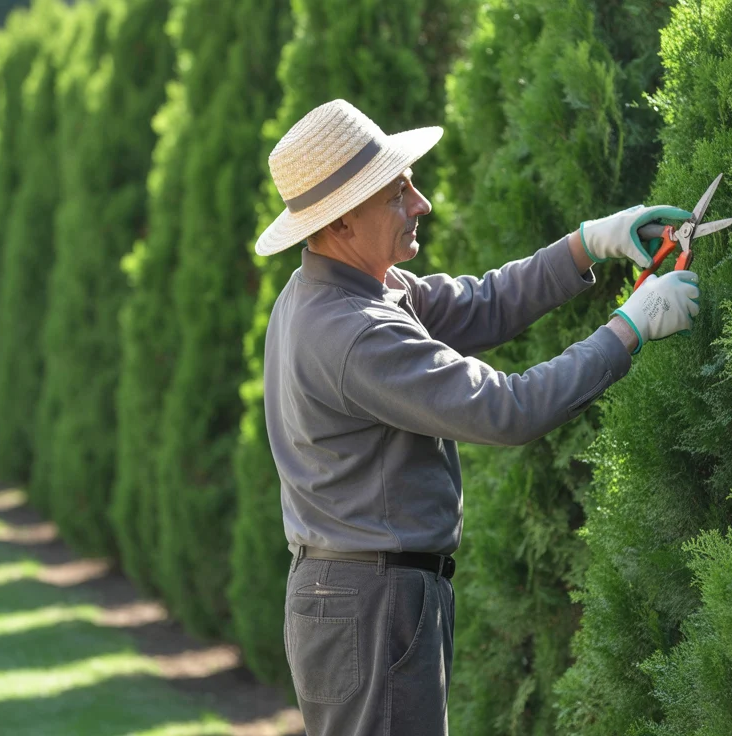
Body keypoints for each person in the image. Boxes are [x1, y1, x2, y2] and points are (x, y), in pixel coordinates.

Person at [256, 99, 700, 735]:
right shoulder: (354, 332)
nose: (421, 202)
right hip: (372, 603)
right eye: (396, 192)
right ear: (344, 220)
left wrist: (589, 242)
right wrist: (628, 329)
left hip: (364, 594)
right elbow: (506, 410)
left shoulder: (348, 292)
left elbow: (484, 303)